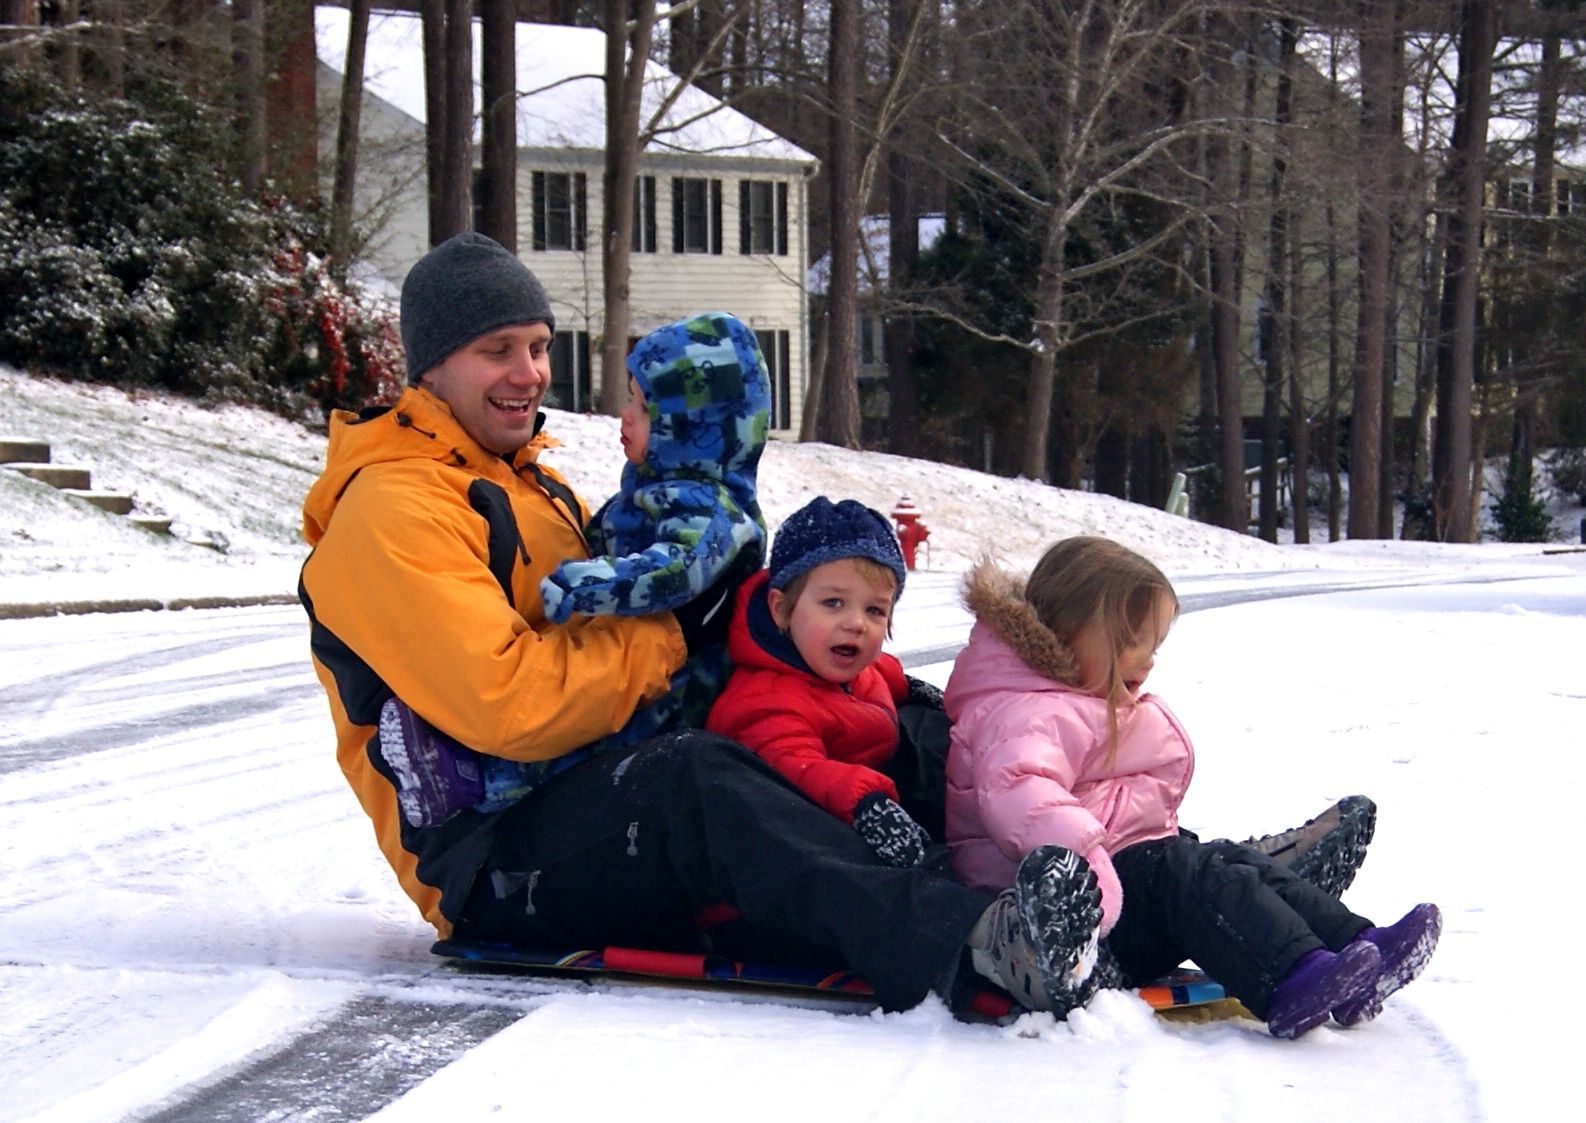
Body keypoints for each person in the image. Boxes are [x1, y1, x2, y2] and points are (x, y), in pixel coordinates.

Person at [297, 231, 1099, 1018]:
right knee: (696, 776)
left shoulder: (529, 484)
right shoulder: (392, 509)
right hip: (495, 860)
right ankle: (974, 941)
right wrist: (678, 629)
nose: (529, 373)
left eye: (538, 346)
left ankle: (1097, 883)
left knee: (885, 717)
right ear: (431, 364)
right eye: (497, 349)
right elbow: (511, 705)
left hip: (596, 789)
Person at [943, 535, 1442, 1037]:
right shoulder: (1022, 711)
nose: (1149, 660)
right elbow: (1023, 796)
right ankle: (1291, 978)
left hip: (1120, 883)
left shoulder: (1064, 697)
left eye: (1154, 646)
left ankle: (1357, 947)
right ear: (1072, 633)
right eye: (1134, 643)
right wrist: (1090, 868)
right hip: (1065, 921)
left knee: (1226, 863)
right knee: (1184, 872)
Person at [377, 310, 770, 827]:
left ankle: (473, 783)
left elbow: (676, 570)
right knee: (586, 733)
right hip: (637, 663)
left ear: (691, 427)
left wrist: (591, 584)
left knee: (593, 750)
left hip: (680, 689)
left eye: (644, 407)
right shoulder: (659, 489)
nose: (625, 417)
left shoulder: (712, 508)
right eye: (630, 398)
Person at [706, 496, 950, 869]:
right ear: (780, 609)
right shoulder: (765, 700)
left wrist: (910, 686)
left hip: (878, 785)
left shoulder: (840, 663)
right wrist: (864, 803)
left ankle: (996, 827)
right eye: (834, 603)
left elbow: (877, 671)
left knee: (937, 730)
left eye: (874, 610)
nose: (857, 623)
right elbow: (794, 767)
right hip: (810, 838)